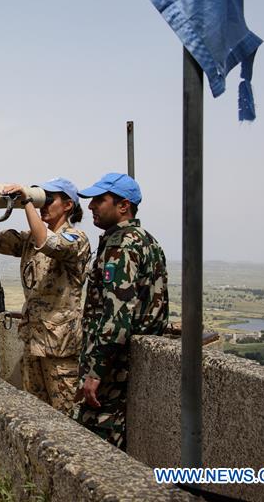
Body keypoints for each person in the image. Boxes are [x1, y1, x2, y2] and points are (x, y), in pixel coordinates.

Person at [72, 172, 169, 449]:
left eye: (100, 200)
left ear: (123, 206)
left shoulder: (120, 246)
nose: (91, 206)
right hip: (128, 361)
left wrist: (95, 371)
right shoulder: (147, 240)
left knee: (99, 444)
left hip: (113, 368)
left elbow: (117, 314)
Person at [0, 178, 91, 413]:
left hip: (61, 348)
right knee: (36, 412)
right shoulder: (30, 238)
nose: (43, 204)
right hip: (34, 341)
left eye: (49, 199)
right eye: (42, 198)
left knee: (65, 414)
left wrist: (28, 201)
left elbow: (49, 243)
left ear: (68, 205)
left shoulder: (76, 239)